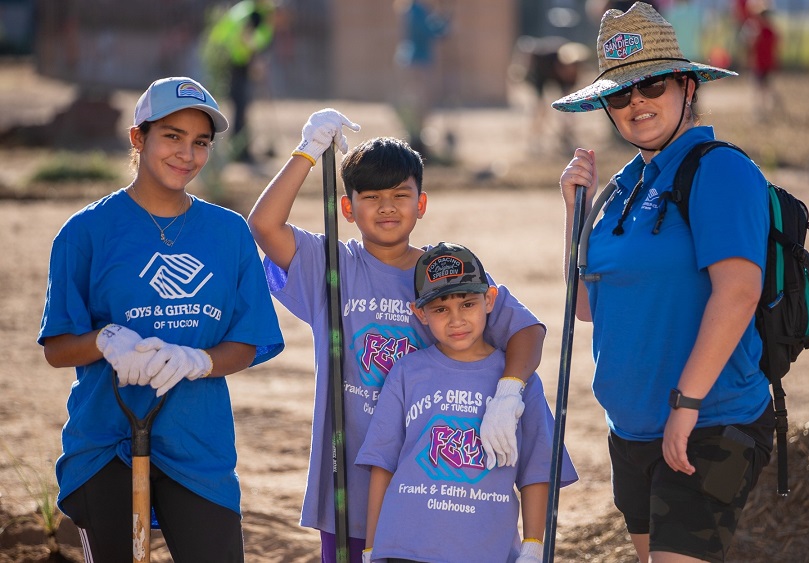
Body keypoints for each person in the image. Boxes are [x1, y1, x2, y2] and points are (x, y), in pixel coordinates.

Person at [247, 109, 546, 563]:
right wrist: (306, 153)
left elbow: (527, 331)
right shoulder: (333, 267)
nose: (386, 207)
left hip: (429, 488)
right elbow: (265, 225)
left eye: (400, 194)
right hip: (348, 479)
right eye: (370, 196)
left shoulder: (445, 277)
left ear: (421, 204)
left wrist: (510, 392)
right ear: (346, 209)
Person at [552, 3, 774, 562]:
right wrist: (575, 218)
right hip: (632, 431)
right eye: (620, 94)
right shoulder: (624, 184)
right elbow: (585, 305)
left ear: (687, 86)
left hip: (709, 421)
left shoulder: (720, 169)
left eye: (651, 84)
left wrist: (687, 404)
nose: (636, 103)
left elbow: (739, 292)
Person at [38, 76, 285, 561]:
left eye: (200, 143)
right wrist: (106, 340)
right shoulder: (86, 232)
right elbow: (57, 347)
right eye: (172, 136)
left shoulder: (228, 233)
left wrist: (197, 360)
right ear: (138, 137)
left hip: (199, 444)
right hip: (106, 441)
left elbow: (250, 340)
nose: (186, 154)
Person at [357, 242, 578, 563]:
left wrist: (533, 546)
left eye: (467, 304)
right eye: (440, 309)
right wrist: (371, 547)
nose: (456, 320)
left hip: (485, 548)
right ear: (420, 312)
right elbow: (382, 463)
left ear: (489, 300)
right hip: (405, 545)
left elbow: (537, 471)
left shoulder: (518, 381)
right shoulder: (407, 371)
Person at [204, 0, 276, 162]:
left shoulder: (247, 9)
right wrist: (255, 60)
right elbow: (247, 36)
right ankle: (240, 150)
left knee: (240, 104)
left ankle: (239, 147)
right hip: (235, 62)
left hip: (229, 60)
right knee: (241, 104)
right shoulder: (253, 14)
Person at [393, 0, 450, 158]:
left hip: (414, 59)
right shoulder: (416, 10)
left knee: (419, 101)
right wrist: (443, 20)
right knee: (420, 101)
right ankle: (416, 137)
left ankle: (418, 136)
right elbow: (427, 32)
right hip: (418, 61)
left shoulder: (415, 9)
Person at [740, 5, 781, 120]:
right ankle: (764, 110)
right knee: (764, 88)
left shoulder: (760, 31)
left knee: (760, 89)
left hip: (761, 65)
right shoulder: (770, 31)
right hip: (764, 64)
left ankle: (761, 111)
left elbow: (752, 47)